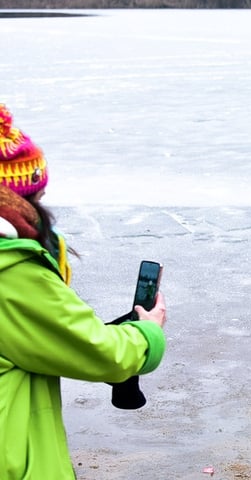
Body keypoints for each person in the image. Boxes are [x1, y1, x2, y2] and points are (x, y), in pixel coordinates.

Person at [0, 104, 167, 479]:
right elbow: (100, 353)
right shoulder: (10, 273)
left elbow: (37, 335)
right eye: (35, 196)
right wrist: (147, 333)